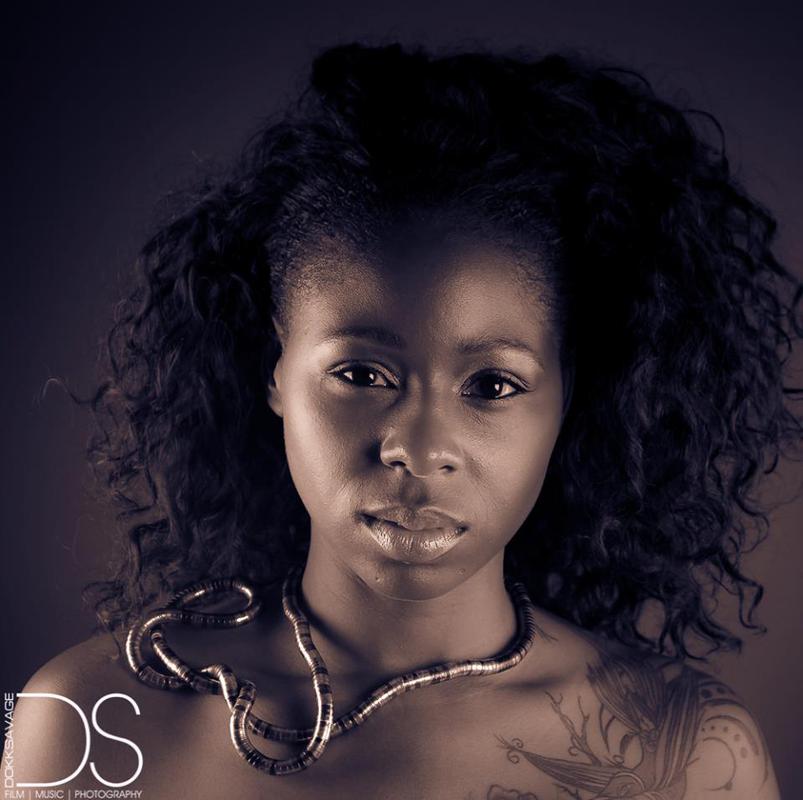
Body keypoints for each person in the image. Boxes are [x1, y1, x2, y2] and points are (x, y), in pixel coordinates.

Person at [9, 41, 798, 799]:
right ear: (274, 371)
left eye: (491, 385)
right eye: (361, 374)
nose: (419, 449)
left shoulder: (687, 755)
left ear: (569, 396)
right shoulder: (83, 721)